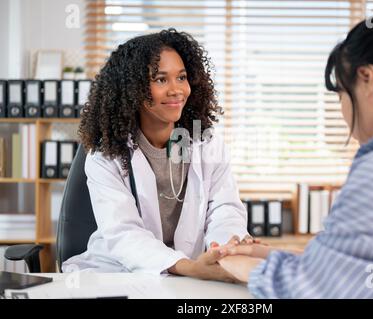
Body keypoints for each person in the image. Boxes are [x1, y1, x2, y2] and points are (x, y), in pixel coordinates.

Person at [215, 1, 373, 298]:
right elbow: (368, 263)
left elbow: (313, 292)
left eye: (341, 93)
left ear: (367, 78)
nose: (342, 109)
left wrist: (232, 262)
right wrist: (270, 254)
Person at [62, 29, 254, 280]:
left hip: (193, 273)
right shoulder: (106, 154)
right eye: (161, 80)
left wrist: (224, 249)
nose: (176, 90)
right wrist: (189, 267)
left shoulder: (205, 143)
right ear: (133, 88)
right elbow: (123, 233)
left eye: (182, 77)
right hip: (120, 272)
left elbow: (224, 208)